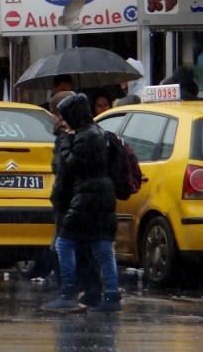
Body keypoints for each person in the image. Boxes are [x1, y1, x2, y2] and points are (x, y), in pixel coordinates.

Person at [42, 93, 121, 313]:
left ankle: (68, 292)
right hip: (102, 194)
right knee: (101, 245)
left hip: (87, 196)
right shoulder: (98, 132)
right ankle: (111, 295)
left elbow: (68, 165)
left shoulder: (85, 136)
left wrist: (66, 140)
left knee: (64, 243)